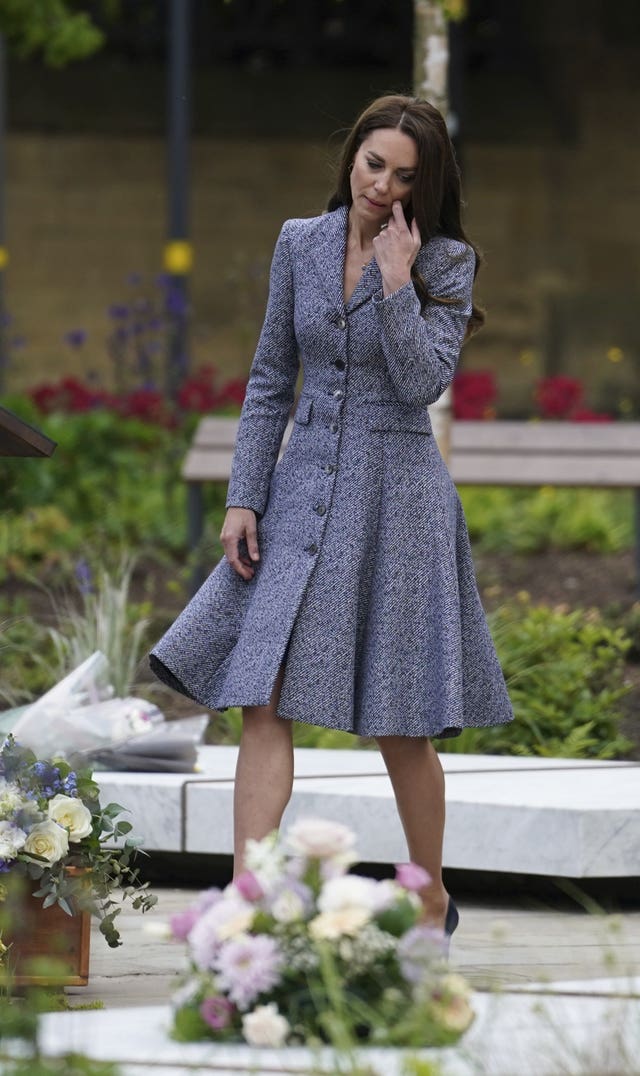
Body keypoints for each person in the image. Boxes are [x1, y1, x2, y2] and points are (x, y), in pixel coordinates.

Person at [149, 94, 514, 937]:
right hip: (302, 489)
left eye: (404, 176)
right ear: (351, 156)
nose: (383, 186)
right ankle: (251, 901)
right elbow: (272, 374)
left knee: (401, 718)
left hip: (398, 501)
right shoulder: (298, 243)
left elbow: (424, 383)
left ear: (427, 187)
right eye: (373, 164)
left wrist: (394, 284)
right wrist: (245, 495)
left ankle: (429, 895)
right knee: (263, 693)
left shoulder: (447, 263)